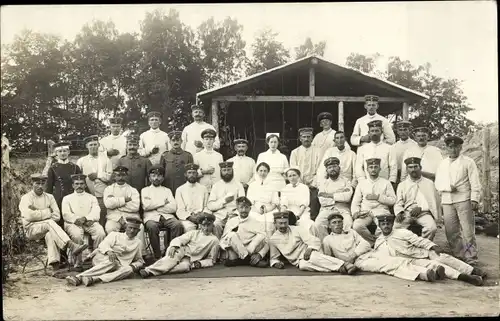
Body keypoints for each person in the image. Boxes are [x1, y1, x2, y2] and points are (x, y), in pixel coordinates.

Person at [322, 212, 438, 282]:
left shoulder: (351, 232)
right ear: (329, 225)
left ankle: (427, 272)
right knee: (387, 265)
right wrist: (344, 263)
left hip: (368, 254)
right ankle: (422, 274)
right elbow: (330, 258)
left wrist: (354, 254)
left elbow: (365, 244)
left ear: (343, 223)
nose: (337, 225)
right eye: (334, 223)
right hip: (358, 263)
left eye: (339, 222)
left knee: (395, 260)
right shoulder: (327, 240)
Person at [375, 214, 486, 286]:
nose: (386, 226)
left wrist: (432, 246)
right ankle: (465, 277)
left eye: (388, 223)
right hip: (411, 261)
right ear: (379, 226)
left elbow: (419, 240)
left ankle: (471, 270)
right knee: (434, 265)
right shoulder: (379, 242)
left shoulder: (401, 232)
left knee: (442, 257)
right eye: (383, 224)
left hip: (422, 252)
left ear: (392, 224)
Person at [19, 174, 88, 272]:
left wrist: (37, 213)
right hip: (31, 229)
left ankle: (54, 265)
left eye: (43, 183)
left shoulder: (49, 197)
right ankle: (71, 246)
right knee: (49, 223)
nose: (40, 186)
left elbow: (57, 216)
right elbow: (29, 216)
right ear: (32, 184)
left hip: (48, 228)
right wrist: (47, 211)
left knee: (50, 232)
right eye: (37, 183)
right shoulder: (26, 198)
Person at [435, 134, 481, 266]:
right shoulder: (442, 164)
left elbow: (475, 181)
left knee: (467, 230)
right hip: (447, 200)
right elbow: (438, 183)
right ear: (447, 148)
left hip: (463, 198)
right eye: (450, 147)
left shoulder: (468, 162)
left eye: (456, 147)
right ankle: (459, 255)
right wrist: (447, 188)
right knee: (451, 230)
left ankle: (471, 257)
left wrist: (475, 199)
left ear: (460, 148)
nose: (453, 150)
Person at [65, 217, 145, 287]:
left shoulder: (138, 243)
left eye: (135, 229)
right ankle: (78, 277)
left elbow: (139, 260)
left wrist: (134, 266)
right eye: (130, 227)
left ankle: (94, 279)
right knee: (112, 262)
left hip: (118, 265)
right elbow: (103, 245)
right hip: (102, 259)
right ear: (126, 227)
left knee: (129, 270)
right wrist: (109, 252)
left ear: (138, 230)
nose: (132, 231)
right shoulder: (115, 235)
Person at [269, 211, 356, 274]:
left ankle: (345, 264)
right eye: (280, 223)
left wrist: (310, 248)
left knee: (313, 257)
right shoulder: (273, 239)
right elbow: (273, 258)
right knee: (303, 266)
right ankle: (339, 268)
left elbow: (314, 240)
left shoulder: (297, 229)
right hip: (299, 262)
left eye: (285, 223)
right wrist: (276, 263)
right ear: (275, 223)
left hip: (312, 253)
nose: (283, 226)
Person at [138, 213, 220, 278]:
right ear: (200, 226)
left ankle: (156, 269)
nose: (206, 228)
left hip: (191, 259)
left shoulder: (214, 240)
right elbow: (179, 239)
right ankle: (148, 271)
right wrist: (174, 246)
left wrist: (200, 263)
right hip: (182, 250)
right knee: (171, 259)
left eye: (208, 225)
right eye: (203, 225)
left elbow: (211, 260)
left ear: (212, 225)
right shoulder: (194, 233)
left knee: (185, 267)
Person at [62, 174, 106, 270]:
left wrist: (87, 218)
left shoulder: (91, 197)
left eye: (82, 184)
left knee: (100, 232)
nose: (79, 186)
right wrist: (77, 219)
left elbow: (96, 210)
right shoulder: (67, 198)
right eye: (76, 184)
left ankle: (96, 259)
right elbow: (66, 214)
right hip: (73, 223)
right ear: (73, 185)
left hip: (89, 222)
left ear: (85, 185)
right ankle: (78, 262)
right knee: (77, 235)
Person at [142, 165, 183, 261]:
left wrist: (155, 207)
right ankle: (157, 255)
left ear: (163, 178)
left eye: (159, 176)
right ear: (149, 178)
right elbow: (146, 206)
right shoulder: (145, 190)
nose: (156, 178)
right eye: (153, 176)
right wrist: (163, 203)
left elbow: (173, 208)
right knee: (152, 227)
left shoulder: (167, 190)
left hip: (167, 216)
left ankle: (170, 251)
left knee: (177, 225)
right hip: (151, 217)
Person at [351, 158, 396, 245]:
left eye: (376, 167)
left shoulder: (386, 183)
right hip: (365, 212)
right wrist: (355, 213)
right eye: (371, 167)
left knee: (382, 228)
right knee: (357, 226)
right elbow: (356, 202)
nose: (373, 169)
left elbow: (393, 200)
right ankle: (373, 242)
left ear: (379, 169)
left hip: (381, 211)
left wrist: (378, 197)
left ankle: (380, 244)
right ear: (367, 169)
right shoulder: (362, 183)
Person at [394, 157, 440, 240]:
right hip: (407, 212)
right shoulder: (402, 185)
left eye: (416, 166)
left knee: (432, 228)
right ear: (407, 170)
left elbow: (433, 201)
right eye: (410, 167)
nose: (413, 169)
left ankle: (424, 245)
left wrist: (421, 208)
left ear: (420, 168)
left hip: (424, 213)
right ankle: (403, 246)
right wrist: (399, 212)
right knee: (395, 228)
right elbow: (398, 202)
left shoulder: (429, 183)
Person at [102, 166, 145, 252]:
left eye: (123, 175)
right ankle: (116, 253)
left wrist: (116, 204)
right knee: (110, 228)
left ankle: (139, 253)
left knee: (140, 228)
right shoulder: (108, 189)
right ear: (114, 176)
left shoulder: (133, 190)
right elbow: (108, 204)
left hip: (131, 217)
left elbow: (135, 206)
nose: (120, 178)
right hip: (113, 218)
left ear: (127, 176)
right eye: (118, 175)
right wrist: (124, 200)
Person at [219, 197, 269, 267]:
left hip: (251, 250)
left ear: (250, 208)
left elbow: (266, 240)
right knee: (231, 235)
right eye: (241, 207)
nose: (244, 210)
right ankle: (248, 259)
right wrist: (228, 249)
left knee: (261, 235)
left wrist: (260, 254)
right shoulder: (231, 222)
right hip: (236, 250)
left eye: (246, 207)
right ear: (237, 209)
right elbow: (223, 240)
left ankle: (240, 260)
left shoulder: (256, 222)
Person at [76, 135, 113, 227]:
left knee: (102, 214)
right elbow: (77, 177)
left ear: (98, 145)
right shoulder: (81, 161)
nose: (93, 147)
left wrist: (98, 175)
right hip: (87, 194)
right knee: (88, 216)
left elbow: (110, 177)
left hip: (102, 194)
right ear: (87, 146)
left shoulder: (106, 160)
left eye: (95, 144)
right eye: (91, 145)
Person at [315, 157, 354, 241]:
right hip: (326, 209)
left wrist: (329, 195)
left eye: (334, 166)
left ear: (339, 168)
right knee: (318, 224)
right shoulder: (323, 183)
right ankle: (328, 243)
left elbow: (347, 197)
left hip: (342, 208)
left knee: (348, 223)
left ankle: (345, 244)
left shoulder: (346, 181)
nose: (332, 169)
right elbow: (322, 201)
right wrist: (340, 194)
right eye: (329, 167)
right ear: (326, 170)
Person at [206, 161, 245, 239]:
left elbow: (243, 204)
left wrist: (236, 213)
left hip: (234, 215)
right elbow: (210, 206)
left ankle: (227, 247)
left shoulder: (238, 185)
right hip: (219, 215)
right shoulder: (216, 186)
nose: (227, 172)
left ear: (232, 171)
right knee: (216, 224)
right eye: (224, 170)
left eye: (229, 170)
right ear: (221, 172)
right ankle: (218, 247)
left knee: (233, 225)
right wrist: (224, 201)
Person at [355, 120, 398, 190]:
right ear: (368, 133)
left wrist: (391, 182)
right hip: (367, 184)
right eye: (372, 131)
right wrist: (362, 181)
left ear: (381, 132)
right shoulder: (362, 149)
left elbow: (393, 166)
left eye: (377, 131)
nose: (374, 133)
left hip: (385, 184)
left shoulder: (389, 148)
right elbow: (359, 167)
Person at [290, 127, 322, 219]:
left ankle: (313, 221)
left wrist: (313, 183)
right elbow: (293, 170)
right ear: (300, 139)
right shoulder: (295, 152)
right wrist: (301, 183)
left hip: (313, 184)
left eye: (308, 137)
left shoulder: (318, 151)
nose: (306, 139)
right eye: (304, 137)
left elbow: (320, 169)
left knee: (314, 201)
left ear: (312, 138)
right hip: (299, 183)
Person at [46, 141, 82, 220]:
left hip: (73, 198)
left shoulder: (75, 167)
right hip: (58, 199)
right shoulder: (52, 168)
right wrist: (48, 203)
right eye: (60, 151)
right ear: (56, 153)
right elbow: (49, 188)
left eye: (65, 151)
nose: (62, 153)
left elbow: (81, 185)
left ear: (68, 152)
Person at [246, 162, 281, 237]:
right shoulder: (252, 185)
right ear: (257, 171)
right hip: (255, 209)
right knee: (251, 219)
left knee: (269, 221)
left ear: (268, 172)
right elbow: (249, 202)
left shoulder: (273, 185)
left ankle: (268, 242)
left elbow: (275, 203)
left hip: (269, 209)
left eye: (265, 171)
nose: (262, 173)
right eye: (261, 170)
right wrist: (257, 210)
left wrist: (267, 210)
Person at [175, 163, 210, 232]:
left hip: (202, 217)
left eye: (194, 173)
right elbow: (180, 209)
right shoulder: (180, 190)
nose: (192, 175)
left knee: (206, 229)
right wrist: (190, 217)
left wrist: (202, 215)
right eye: (189, 173)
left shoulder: (203, 188)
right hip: (187, 218)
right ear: (185, 174)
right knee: (189, 229)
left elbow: (206, 206)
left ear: (197, 174)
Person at [280, 167, 314, 232]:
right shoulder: (285, 188)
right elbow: (283, 204)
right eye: (290, 176)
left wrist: (298, 216)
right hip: (289, 213)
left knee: (305, 224)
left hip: (302, 213)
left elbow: (304, 205)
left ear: (298, 176)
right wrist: (283, 215)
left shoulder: (304, 187)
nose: (292, 178)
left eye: (294, 175)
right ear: (287, 178)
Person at [159, 130, 194, 195]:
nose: (175, 142)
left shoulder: (188, 155)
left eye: (178, 140)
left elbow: (191, 172)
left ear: (181, 141)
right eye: (173, 140)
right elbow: (161, 172)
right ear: (170, 142)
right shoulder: (165, 155)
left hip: (183, 185)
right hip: (168, 185)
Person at [193, 128, 224, 193]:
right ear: (203, 140)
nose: (208, 141)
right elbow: (193, 174)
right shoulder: (197, 156)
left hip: (216, 189)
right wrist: (203, 171)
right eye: (206, 139)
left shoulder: (219, 156)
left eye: (211, 139)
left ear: (214, 140)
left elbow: (222, 172)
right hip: (202, 188)